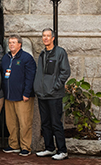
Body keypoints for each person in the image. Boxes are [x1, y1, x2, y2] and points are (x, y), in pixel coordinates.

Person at [34, 28, 71, 160]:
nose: (45, 38)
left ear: (53, 38)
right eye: (43, 36)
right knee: (45, 123)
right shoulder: (42, 54)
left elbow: (65, 72)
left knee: (56, 123)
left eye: (48, 36)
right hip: (42, 95)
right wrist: (37, 88)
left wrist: (55, 87)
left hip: (54, 95)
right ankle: (49, 148)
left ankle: (62, 150)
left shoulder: (60, 52)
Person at [1, 35, 37, 156]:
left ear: (19, 45)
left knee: (24, 123)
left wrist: (26, 93)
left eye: (14, 42)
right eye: (10, 42)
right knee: (11, 123)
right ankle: (14, 145)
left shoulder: (27, 58)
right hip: (9, 96)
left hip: (23, 97)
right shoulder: (5, 58)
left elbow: (30, 77)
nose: (11, 45)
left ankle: (25, 146)